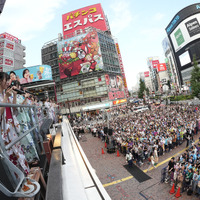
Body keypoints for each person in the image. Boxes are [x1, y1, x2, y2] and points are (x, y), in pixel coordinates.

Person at [0, 72, 30, 174]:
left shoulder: (5, 94)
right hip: (4, 130)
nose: (8, 83)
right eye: (6, 80)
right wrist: (5, 98)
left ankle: (24, 174)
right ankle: (17, 178)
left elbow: (14, 109)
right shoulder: (4, 95)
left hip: (11, 127)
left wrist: (14, 96)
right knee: (10, 154)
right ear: (0, 81)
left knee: (18, 152)